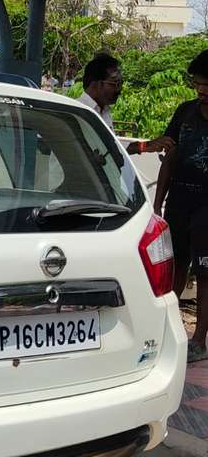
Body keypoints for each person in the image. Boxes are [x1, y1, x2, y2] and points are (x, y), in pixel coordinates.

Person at [154, 50, 208, 361]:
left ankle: (199, 339)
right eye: (198, 83)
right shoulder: (185, 111)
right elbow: (169, 157)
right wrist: (158, 204)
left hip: (207, 208)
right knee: (173, 267)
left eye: (207, 84)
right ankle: (167, 332)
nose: (201, 90)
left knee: (205, 275)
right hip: (179, 200)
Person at [79, 54, 174, 155]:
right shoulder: (78, 111)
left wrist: (145, 146)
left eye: (121, 84)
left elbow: (115, 147)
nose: (119, 90)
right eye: (116, 83)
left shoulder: (104, 110)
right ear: (96, 84)